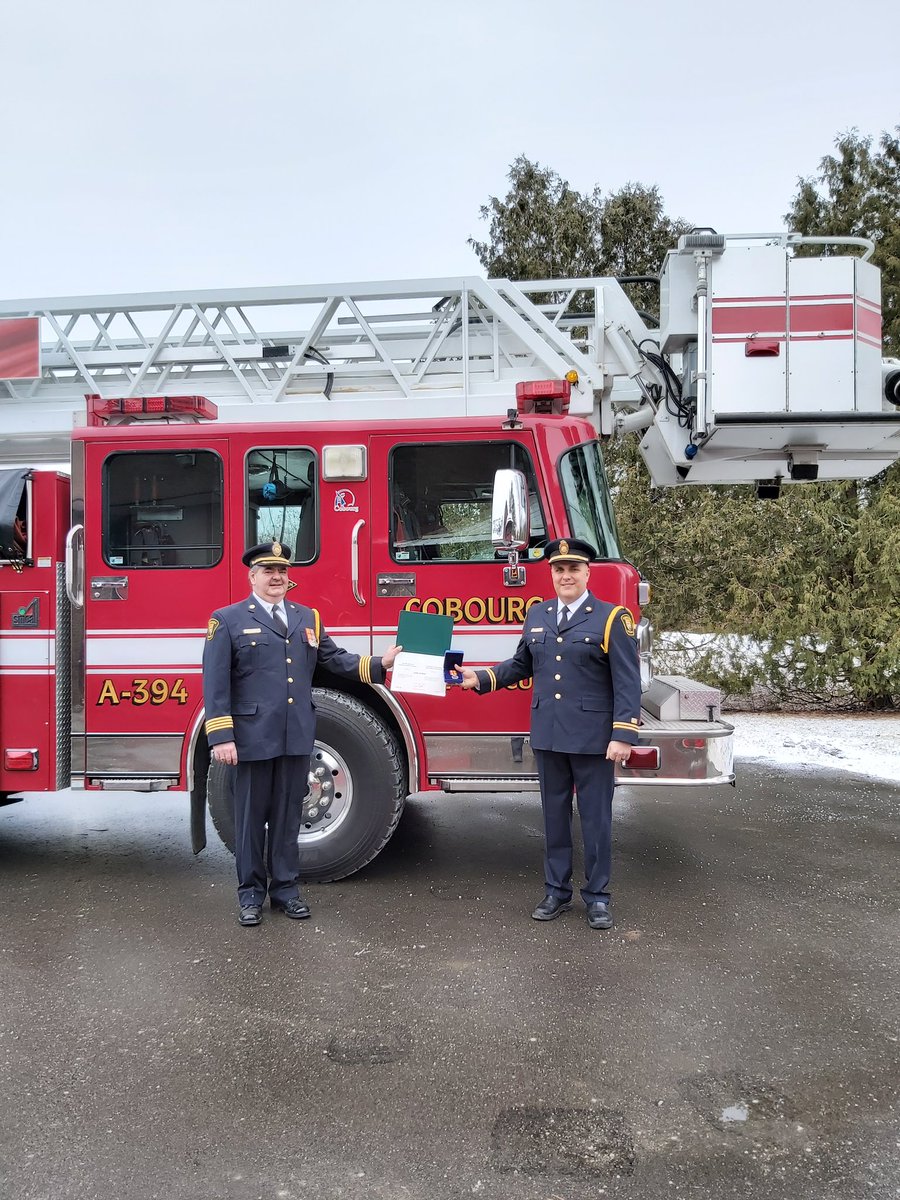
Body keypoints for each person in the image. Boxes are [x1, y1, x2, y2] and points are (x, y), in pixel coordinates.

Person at [202, 541, 401, 926]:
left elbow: (334, 659)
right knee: (249, 820)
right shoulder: (226, 620)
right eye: (268, 571)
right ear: (252, 577)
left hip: (295, 737)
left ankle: (286, 891)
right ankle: (250, 896)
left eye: (282, 571)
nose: (277, 577)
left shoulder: (306, 617)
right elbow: (215, 683)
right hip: (252, 738)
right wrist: (221, 737)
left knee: (288, 817)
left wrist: (380, 663)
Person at [456, 537, 642, 930]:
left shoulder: (611, 618)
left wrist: (623, 734)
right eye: (559, 569)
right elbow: (521, 664)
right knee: (554, 819)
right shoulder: (537, 615)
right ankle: (556, 891)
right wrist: (482, 677)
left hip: (593, 739)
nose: (566, 575)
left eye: (574, 569)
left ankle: (598, 897)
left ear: (587, 573)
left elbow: (626, 681)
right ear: (552, 575)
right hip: (549, 735)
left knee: (596, 821)